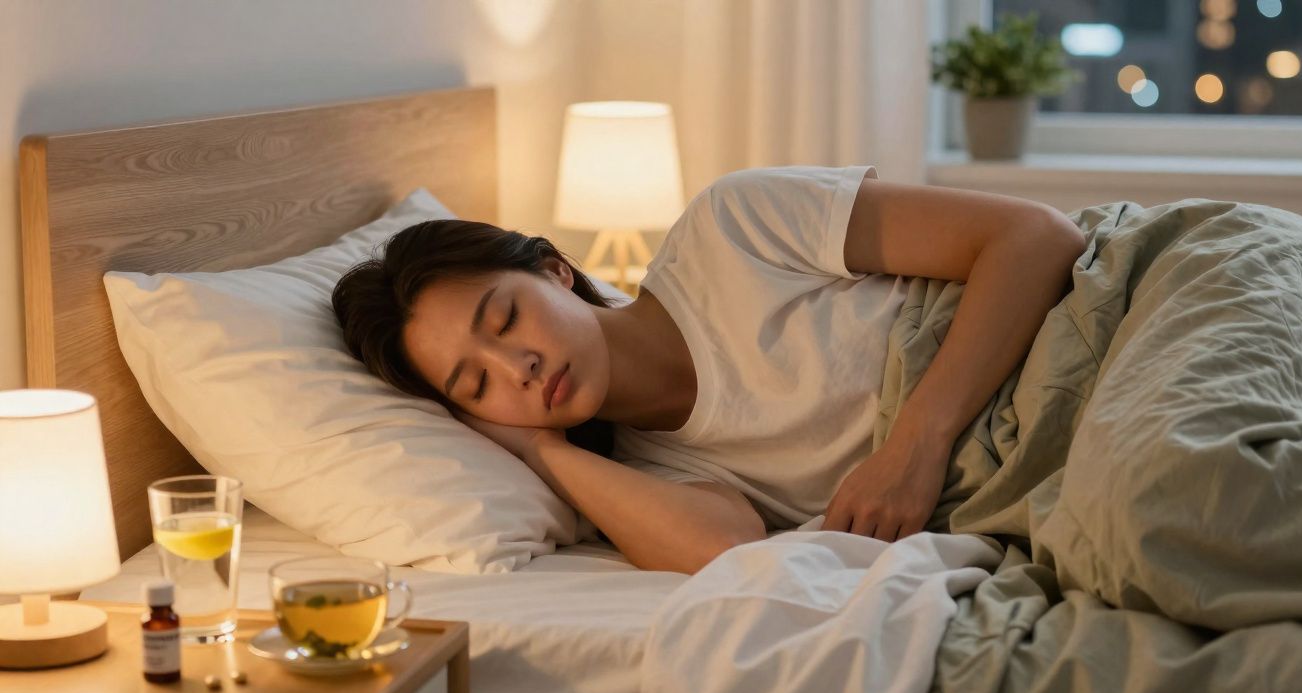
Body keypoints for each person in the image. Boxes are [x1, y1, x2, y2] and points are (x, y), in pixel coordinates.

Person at [332, 166, 1085, 574]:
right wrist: (544, 450)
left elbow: (1032, 235)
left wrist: (916, 444)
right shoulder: (646, 475)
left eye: (503, 319)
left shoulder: (732, 226)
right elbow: (727, 552)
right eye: (477, 385)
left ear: (554, 268)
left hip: (1099, 320)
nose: (516, 367)